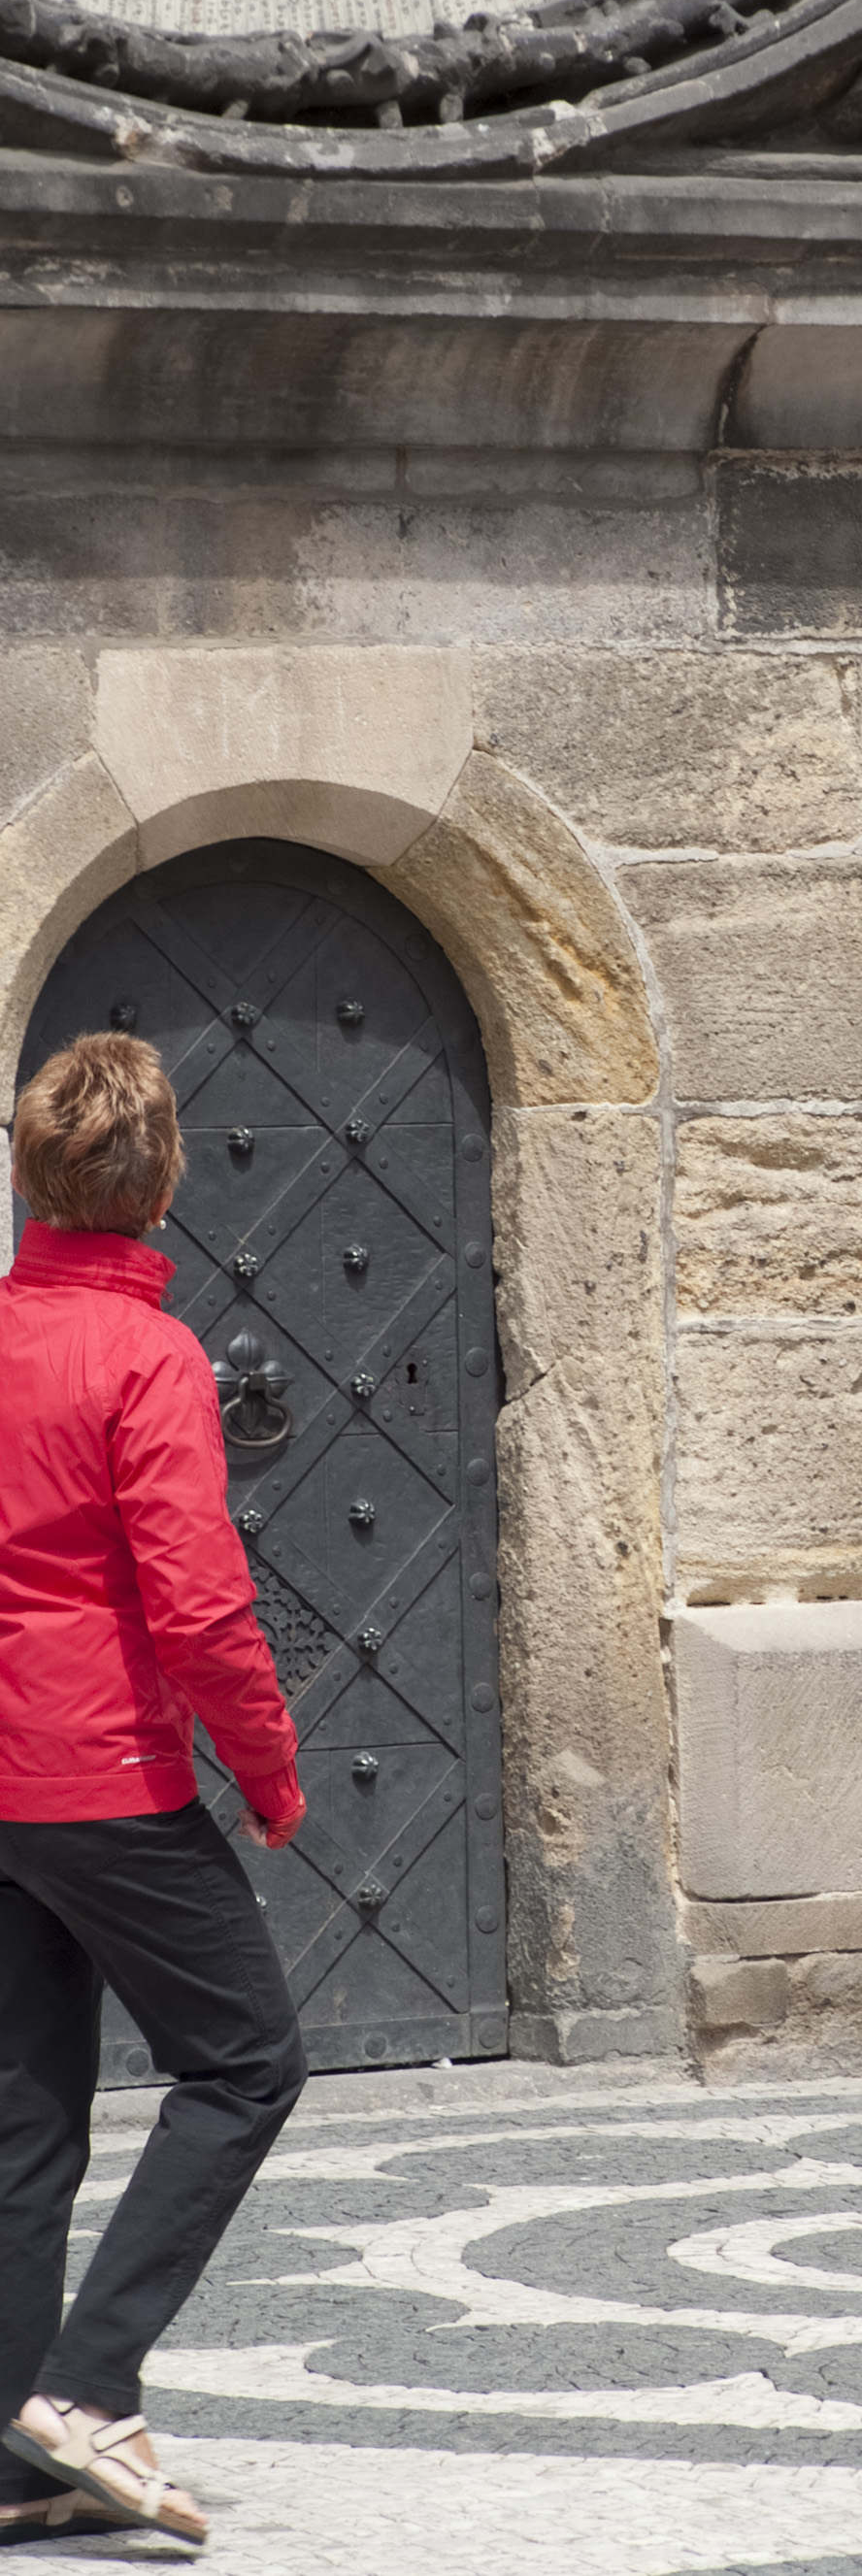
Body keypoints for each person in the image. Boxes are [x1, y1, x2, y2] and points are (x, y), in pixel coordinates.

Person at [0, 1033, 309, 2550]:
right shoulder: (146, 1352)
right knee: (249, 2061)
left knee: (26, 2124)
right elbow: (197, 1604)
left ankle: (13, 2464)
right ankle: (85, 2381)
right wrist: (269, 1767)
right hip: (103, 1770)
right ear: (163, 1173)